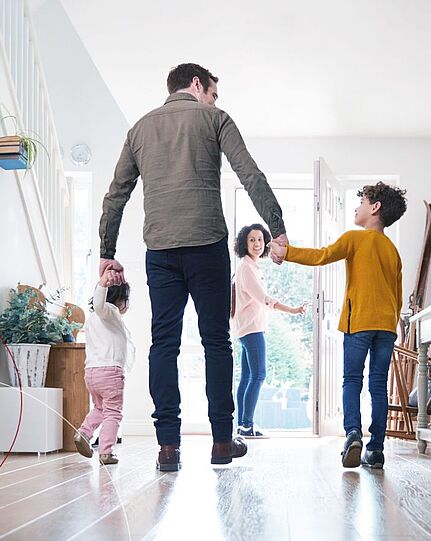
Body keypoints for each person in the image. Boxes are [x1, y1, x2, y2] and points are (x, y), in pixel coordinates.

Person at [98, 63, 288, 471]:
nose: (215, 100)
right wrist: (277, 229)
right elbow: (250, 175)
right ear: (198, 84)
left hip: (161, 251)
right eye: (213, 92)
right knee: (216, 341)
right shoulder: (215, 119)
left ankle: (168, 447)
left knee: (163, 344)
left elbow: (116, 196)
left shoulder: (139, 129)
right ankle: (222, 442)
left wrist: (106, 250)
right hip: (207, 246)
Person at [269, 182, 407, 469]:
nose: (357, 207)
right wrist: (393, 325)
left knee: (352, 380)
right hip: (386, 326)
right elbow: (398, 295)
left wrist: (287, 252)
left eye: (362, 202)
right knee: (379, 386)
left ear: (375, 207)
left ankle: (353, 434)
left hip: (359, 323)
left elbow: (321, 256)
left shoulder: (355, 239)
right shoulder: (393, 251)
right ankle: (376, 450)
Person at [232, 224, 307, 438]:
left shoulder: (250, 266)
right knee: (258, 375)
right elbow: (264, 299)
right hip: (251, 329)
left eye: (259, 239)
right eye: (252, 240)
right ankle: (246, 425)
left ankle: (243, 425)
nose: (257, 244)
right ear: (244, 244)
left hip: (247, 327)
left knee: (248, 377)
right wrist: (292, 310)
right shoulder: (246, 268)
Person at [74, 269, 135, 465]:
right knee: (113, 412)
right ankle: (106, 452)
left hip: (92, 373)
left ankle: (83, 433)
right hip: (110, 372)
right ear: (120, 300)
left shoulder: (93, 320)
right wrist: (102, 284)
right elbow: (100, 304)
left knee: (100, 408)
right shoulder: (109, 311)